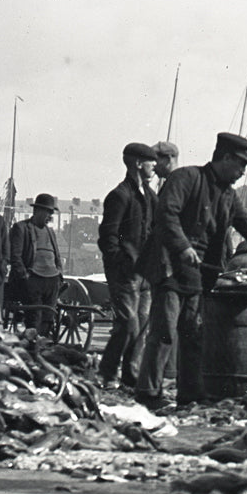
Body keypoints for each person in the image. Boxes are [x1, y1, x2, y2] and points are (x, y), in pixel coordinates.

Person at [135, 132, 247, 410]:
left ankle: (190, 395)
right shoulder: (185, 178)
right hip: (169, 264)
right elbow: (166, 214)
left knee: (194, 333)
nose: (243, 172)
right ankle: (148, 393)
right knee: (166, 331)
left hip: (198, 272)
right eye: (241, 164)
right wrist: (183, 247)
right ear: (226, 158)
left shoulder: (229, 196)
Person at [97, 143, 158, 390]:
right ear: (137, 164)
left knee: (141, 326)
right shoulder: (120, 195)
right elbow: (108, 237)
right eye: (150, 161)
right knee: (128, 324)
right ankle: (107, 373)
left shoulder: (150, 197)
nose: (154, 165)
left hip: (145, 275)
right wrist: (121, 264)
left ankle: (130, 376)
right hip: (125, 274)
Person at [9, 193, 64, 336]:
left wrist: (59, 273)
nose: (50, 216)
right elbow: (15, 256)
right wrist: (25, 275)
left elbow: (57, 255)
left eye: (51, 213)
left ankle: (44, 343)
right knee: (35, 317)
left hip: (52, 279)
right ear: (37, 211)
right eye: (48, 212)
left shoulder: (50, 232)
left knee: (49, 316)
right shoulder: (21, 228)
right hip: (33, 279)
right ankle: (32, 344)